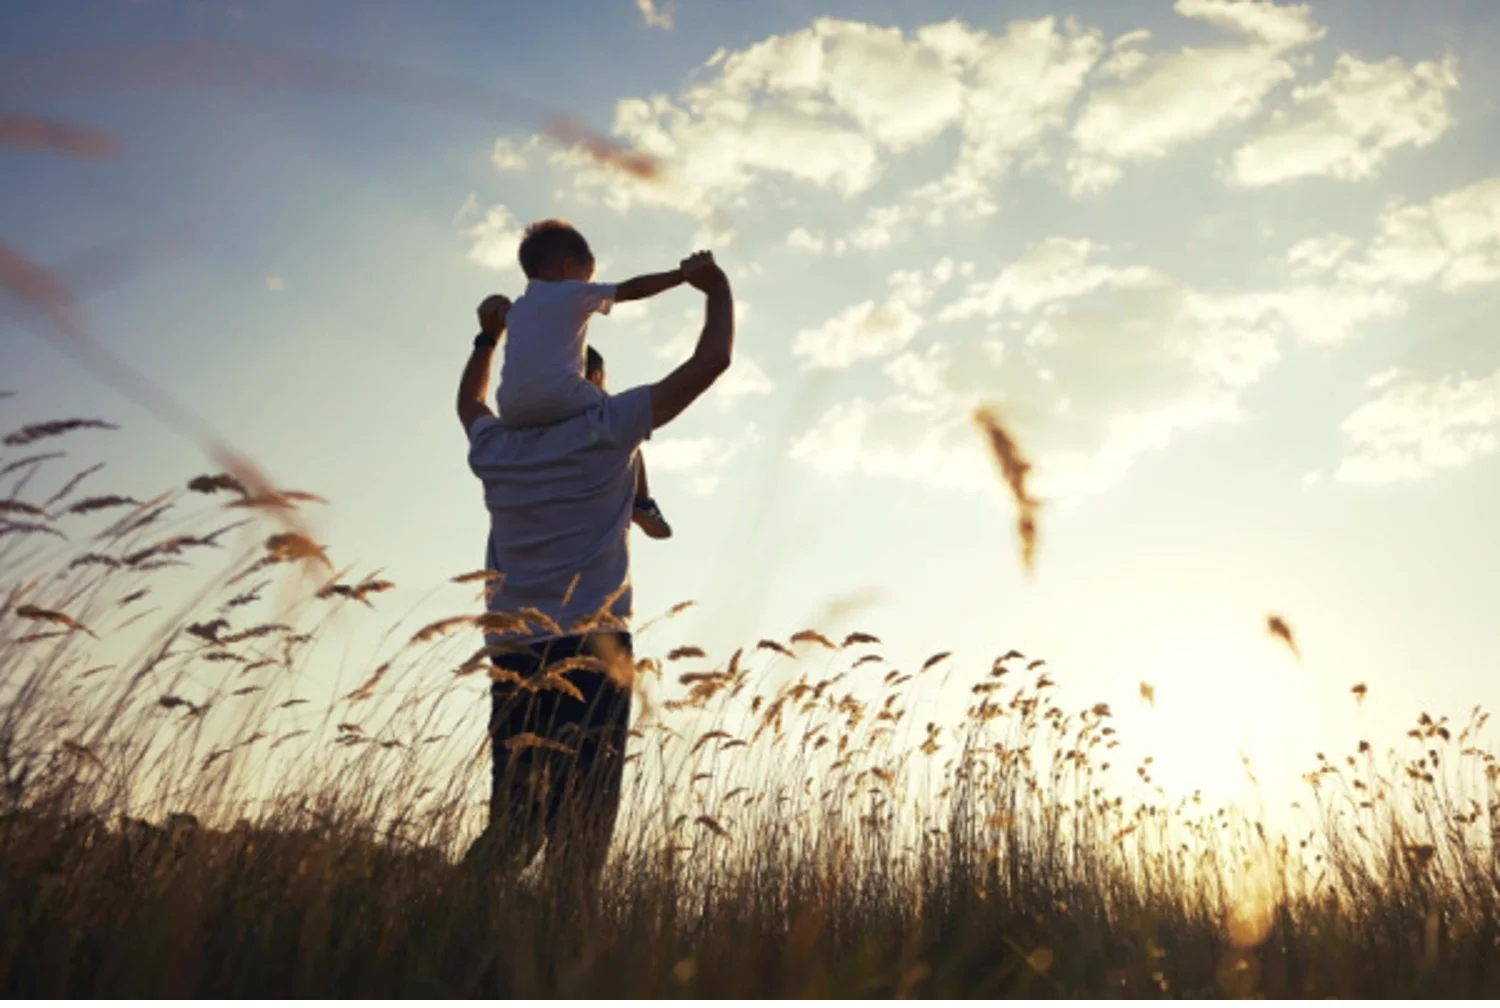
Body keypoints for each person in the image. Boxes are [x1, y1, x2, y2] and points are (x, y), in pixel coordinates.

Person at [455, 248, 733, 888]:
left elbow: (470, 402)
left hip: (513, 650)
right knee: (581, 834)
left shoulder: (495, 446)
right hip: (594, 641)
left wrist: (486, 338)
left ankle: (445, 937)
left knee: (514, 826)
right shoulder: (610, 426)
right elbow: (711, 361)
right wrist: (714, 289)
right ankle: (561, 966)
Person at [496, 218, 679, 538]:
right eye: (585, 277)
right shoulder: (572, 293)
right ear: (569, 267)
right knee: (624, 418)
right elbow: (634, 288)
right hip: (558, 393)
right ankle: (642, 501)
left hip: (509, 409)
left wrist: (494, 311)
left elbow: (499, 317)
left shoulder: (518, 310)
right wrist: (683, 276)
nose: (586, 285)